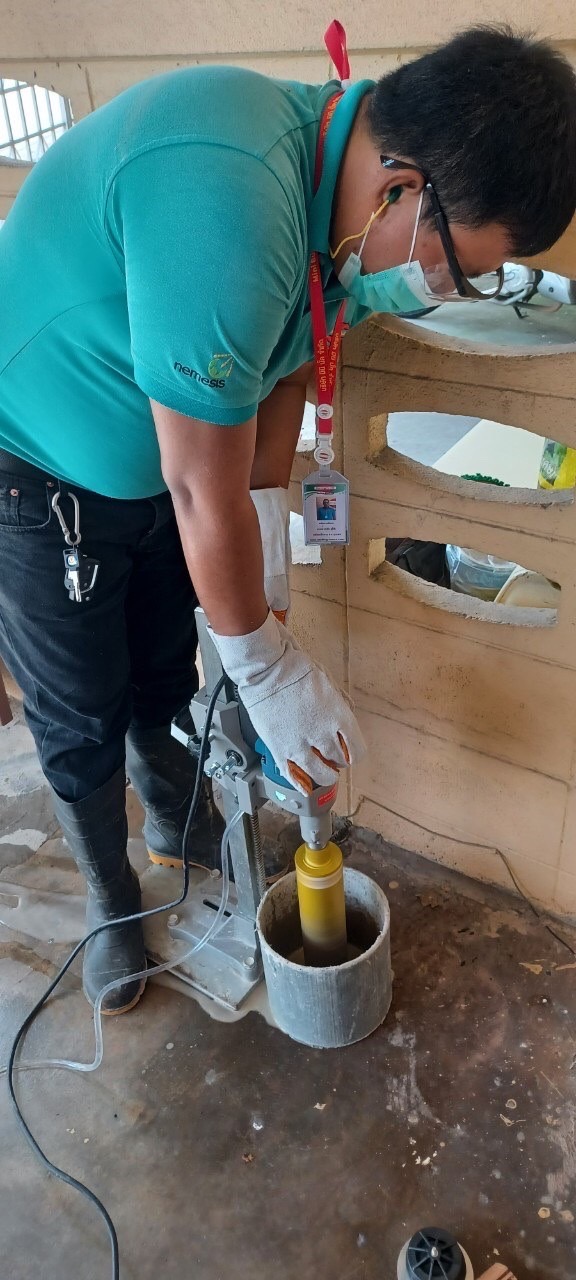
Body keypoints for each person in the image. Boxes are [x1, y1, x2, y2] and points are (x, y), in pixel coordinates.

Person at [1, 24, 575, 1014]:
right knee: (80, 705)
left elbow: (274, 398)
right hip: (43, 464)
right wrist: (265, 666)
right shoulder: (227, 201)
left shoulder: (335, 222)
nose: (444, 292)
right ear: (404, 186)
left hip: (164, 467)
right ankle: (110, 892)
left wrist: (264, 593)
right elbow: (202, 489)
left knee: (160, 665)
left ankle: (170, 801)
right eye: (456, 268)